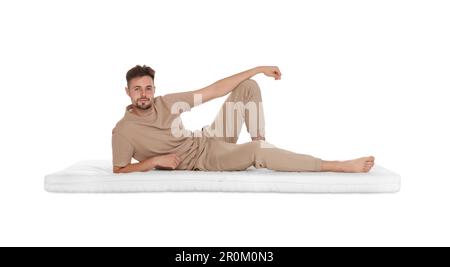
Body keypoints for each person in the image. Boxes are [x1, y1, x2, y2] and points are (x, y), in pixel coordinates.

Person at [112, 65, 375, 174]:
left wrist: (259, 69)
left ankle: (261, 148)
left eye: (148, 88)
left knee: (248, 86)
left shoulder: (165, 103)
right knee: (257, 152)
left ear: (154, 89)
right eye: (137, 89)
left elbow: (215, 90)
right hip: (203, 159)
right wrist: (156, 161)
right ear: (128, 92)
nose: (144, 94)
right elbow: (119, 170)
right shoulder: (123, 131)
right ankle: (339, 166)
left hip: (208, 139)